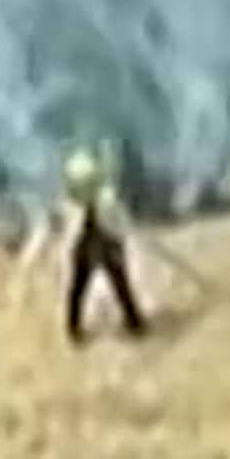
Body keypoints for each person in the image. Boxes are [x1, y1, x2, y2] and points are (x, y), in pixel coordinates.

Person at [57, 143, 148, 343]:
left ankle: (76, 328)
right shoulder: (100, 200)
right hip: (99, 244)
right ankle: (133, 323)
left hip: (94, 244)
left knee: (84, 287)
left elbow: (115, 222)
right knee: (112, 285)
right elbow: (118, 223)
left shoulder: (78, 202)